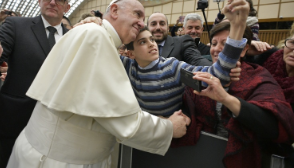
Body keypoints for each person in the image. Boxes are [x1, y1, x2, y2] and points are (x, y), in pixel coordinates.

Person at [6, 0, 188, 168]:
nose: (142, 22)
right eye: (137, 14)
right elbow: (122, 118)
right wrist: (168, 128)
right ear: (114, 11)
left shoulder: (95, 33)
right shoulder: (96, 35)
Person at [173, 18, 294, 167]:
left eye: (225, 44)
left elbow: (274, 126)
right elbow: (186, 106)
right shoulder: (202, 74)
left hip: (243, 159)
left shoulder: (259, 78)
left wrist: (225, 99)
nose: (216, 49)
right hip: (200, 155)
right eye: (215, 43)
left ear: (243, 49)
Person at [0, 0, 71, 168]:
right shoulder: (16, 25)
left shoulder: (74, 37)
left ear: (67, 7)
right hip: (17, 119)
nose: (52, 2)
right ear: (39, 0)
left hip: (58, 124)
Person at [122, 25, 245, 117]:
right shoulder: (128, 66)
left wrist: (237, 30)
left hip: (172, 136)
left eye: (152, 39)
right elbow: (104, 50)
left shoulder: (172, 67)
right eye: (143, 42)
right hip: (145, 132)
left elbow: (216, 75)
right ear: (131, 54)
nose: (151, 44)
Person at [147, 12, 212, 66]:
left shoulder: (182, 42)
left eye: (162, 24)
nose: (158, 27)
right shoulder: (138, 47)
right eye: (153, 24)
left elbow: (196, 60)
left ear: (168, 28)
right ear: (147, 28)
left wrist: (214, 71)